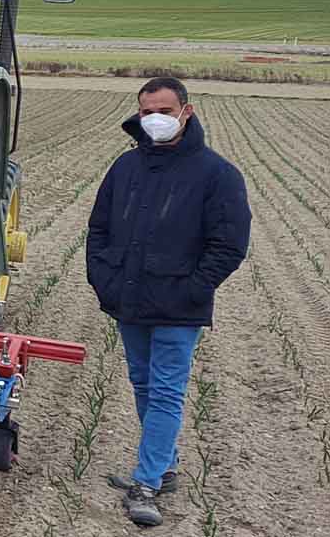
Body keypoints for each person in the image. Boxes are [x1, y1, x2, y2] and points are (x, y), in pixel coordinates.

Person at [88, 77, 249, 527]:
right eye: (146, 111)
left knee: (165, 394)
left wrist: (194, 289)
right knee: (143, 386)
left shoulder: (217, 174)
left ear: (186, 111)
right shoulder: (126, 168)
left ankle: (146, 483)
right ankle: (165, 465)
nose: (154, 118)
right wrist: (105, 281)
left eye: (163, 109)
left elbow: (230, 245)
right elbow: (99, 229)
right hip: (130, 300)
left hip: (178, 307)